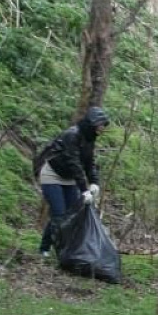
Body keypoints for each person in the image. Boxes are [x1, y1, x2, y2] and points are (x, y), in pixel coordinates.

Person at [35, 106, 109, 257]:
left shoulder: (90, 139)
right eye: (101, 125)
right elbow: (73, 162)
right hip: (52, 175)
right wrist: (84, 190)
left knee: (70, 214)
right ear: (92, 123)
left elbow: (89, 163)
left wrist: (94, 182)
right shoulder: (72, 135)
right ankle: (53, 250)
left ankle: (48, 247)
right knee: (59, 214)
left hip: (69, 179)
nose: (102, 129)